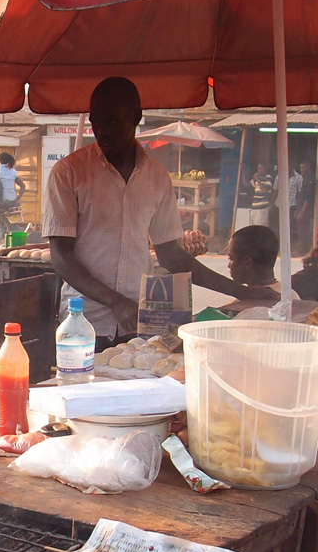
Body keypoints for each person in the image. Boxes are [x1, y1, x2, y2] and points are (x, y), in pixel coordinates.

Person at [44, 76, 274, 348]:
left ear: (136, 116)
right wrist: (116, 302)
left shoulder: (156, 176)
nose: (102, 131)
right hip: (84, 324)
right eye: (96, 123)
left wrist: (241, 291)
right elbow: (60, 256)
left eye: (113, 122)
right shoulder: (69, 172)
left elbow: (173, 255)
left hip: (141, 322)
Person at [226, 225, 279, 291]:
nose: (228, 265)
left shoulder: (250, 300)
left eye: (231, 258)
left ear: (247, 262)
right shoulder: (288, 294)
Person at [249, 164, 276, 230]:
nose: (259, 170)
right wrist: (242, 170)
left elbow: (265, 191)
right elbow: (246, 184)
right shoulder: (257, 178)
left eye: (261, 168)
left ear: (265, 169)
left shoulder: (268, 177)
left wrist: (258, 180)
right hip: (254, 208)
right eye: (258, 169)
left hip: (262, 208)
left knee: (261, 229)